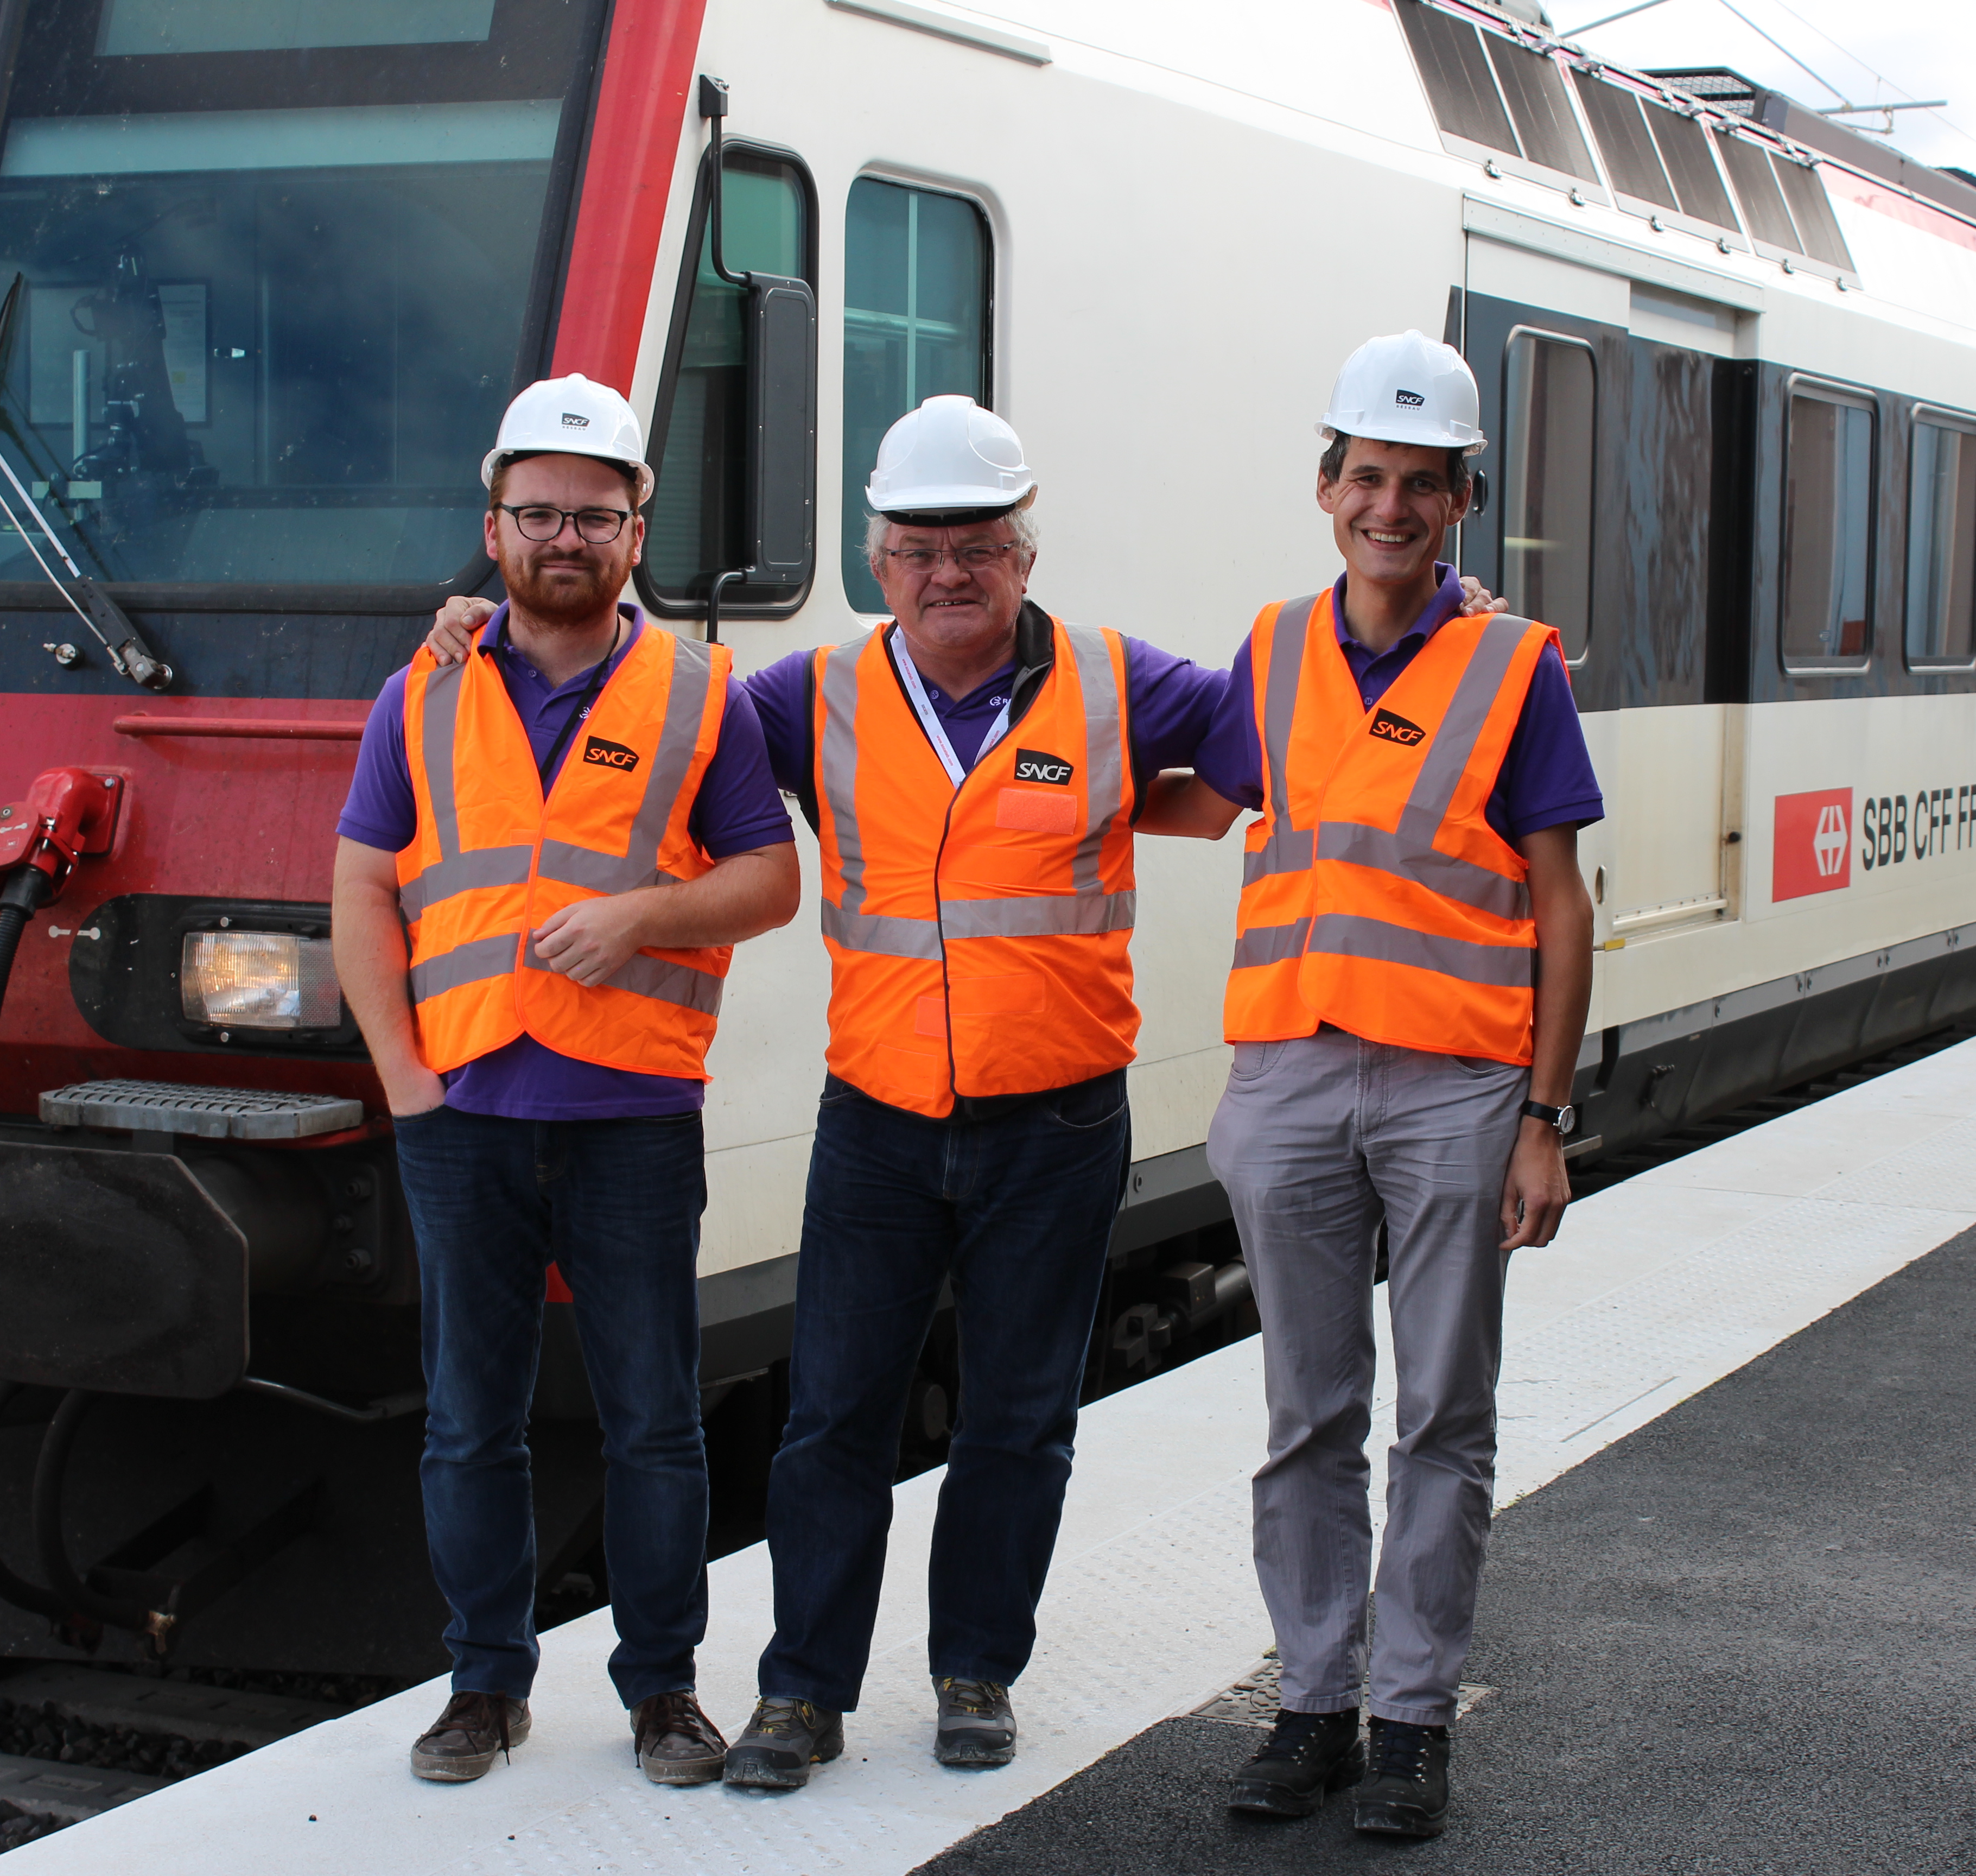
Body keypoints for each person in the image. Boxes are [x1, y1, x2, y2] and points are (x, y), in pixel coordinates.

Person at [419, 395, 1240, 1789]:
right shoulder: (807, 697)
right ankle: (802, 1695)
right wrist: (481, 633)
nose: (947, 573)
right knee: (831, 1423)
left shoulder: (1119, 683)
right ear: (878, 565)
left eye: (977, 544)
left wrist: (1426, 616)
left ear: (1026, 555)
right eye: (917, 548)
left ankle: (976, 1670)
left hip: (1060, 1121)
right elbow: (645, 711)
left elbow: (1276, 749)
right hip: (879, 1119)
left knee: (1020, 1421)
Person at [1142, 333, 1602, 1839]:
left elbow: (1561, 903)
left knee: (1442, 1417)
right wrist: (998, 782)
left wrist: (1546, 1116)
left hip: (1460, 1091)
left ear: (1458, 501)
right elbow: (1199, 807)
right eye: (1366, 477)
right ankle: (1315, 1706)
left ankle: (1412, 1722)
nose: (1388, 507)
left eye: (1419, 483)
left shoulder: (1515, 668)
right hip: (1290, 1077)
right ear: (1326, 486)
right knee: (1305, 1413)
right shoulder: (1271, 653)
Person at [332, 374, 802, 1790]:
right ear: (496, 527)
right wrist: (403, 1078)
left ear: (635, 533)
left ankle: (664, 1691)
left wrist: (640, 921)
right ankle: (484, 1685)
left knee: (655, 1416)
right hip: (462, 1113)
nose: (565, 537)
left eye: (594, 515)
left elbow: (771, 879)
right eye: (538, 513)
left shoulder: (702, 693)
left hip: (632, 1111)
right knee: (470, 1418)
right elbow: (362, 885)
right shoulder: (423, 688)